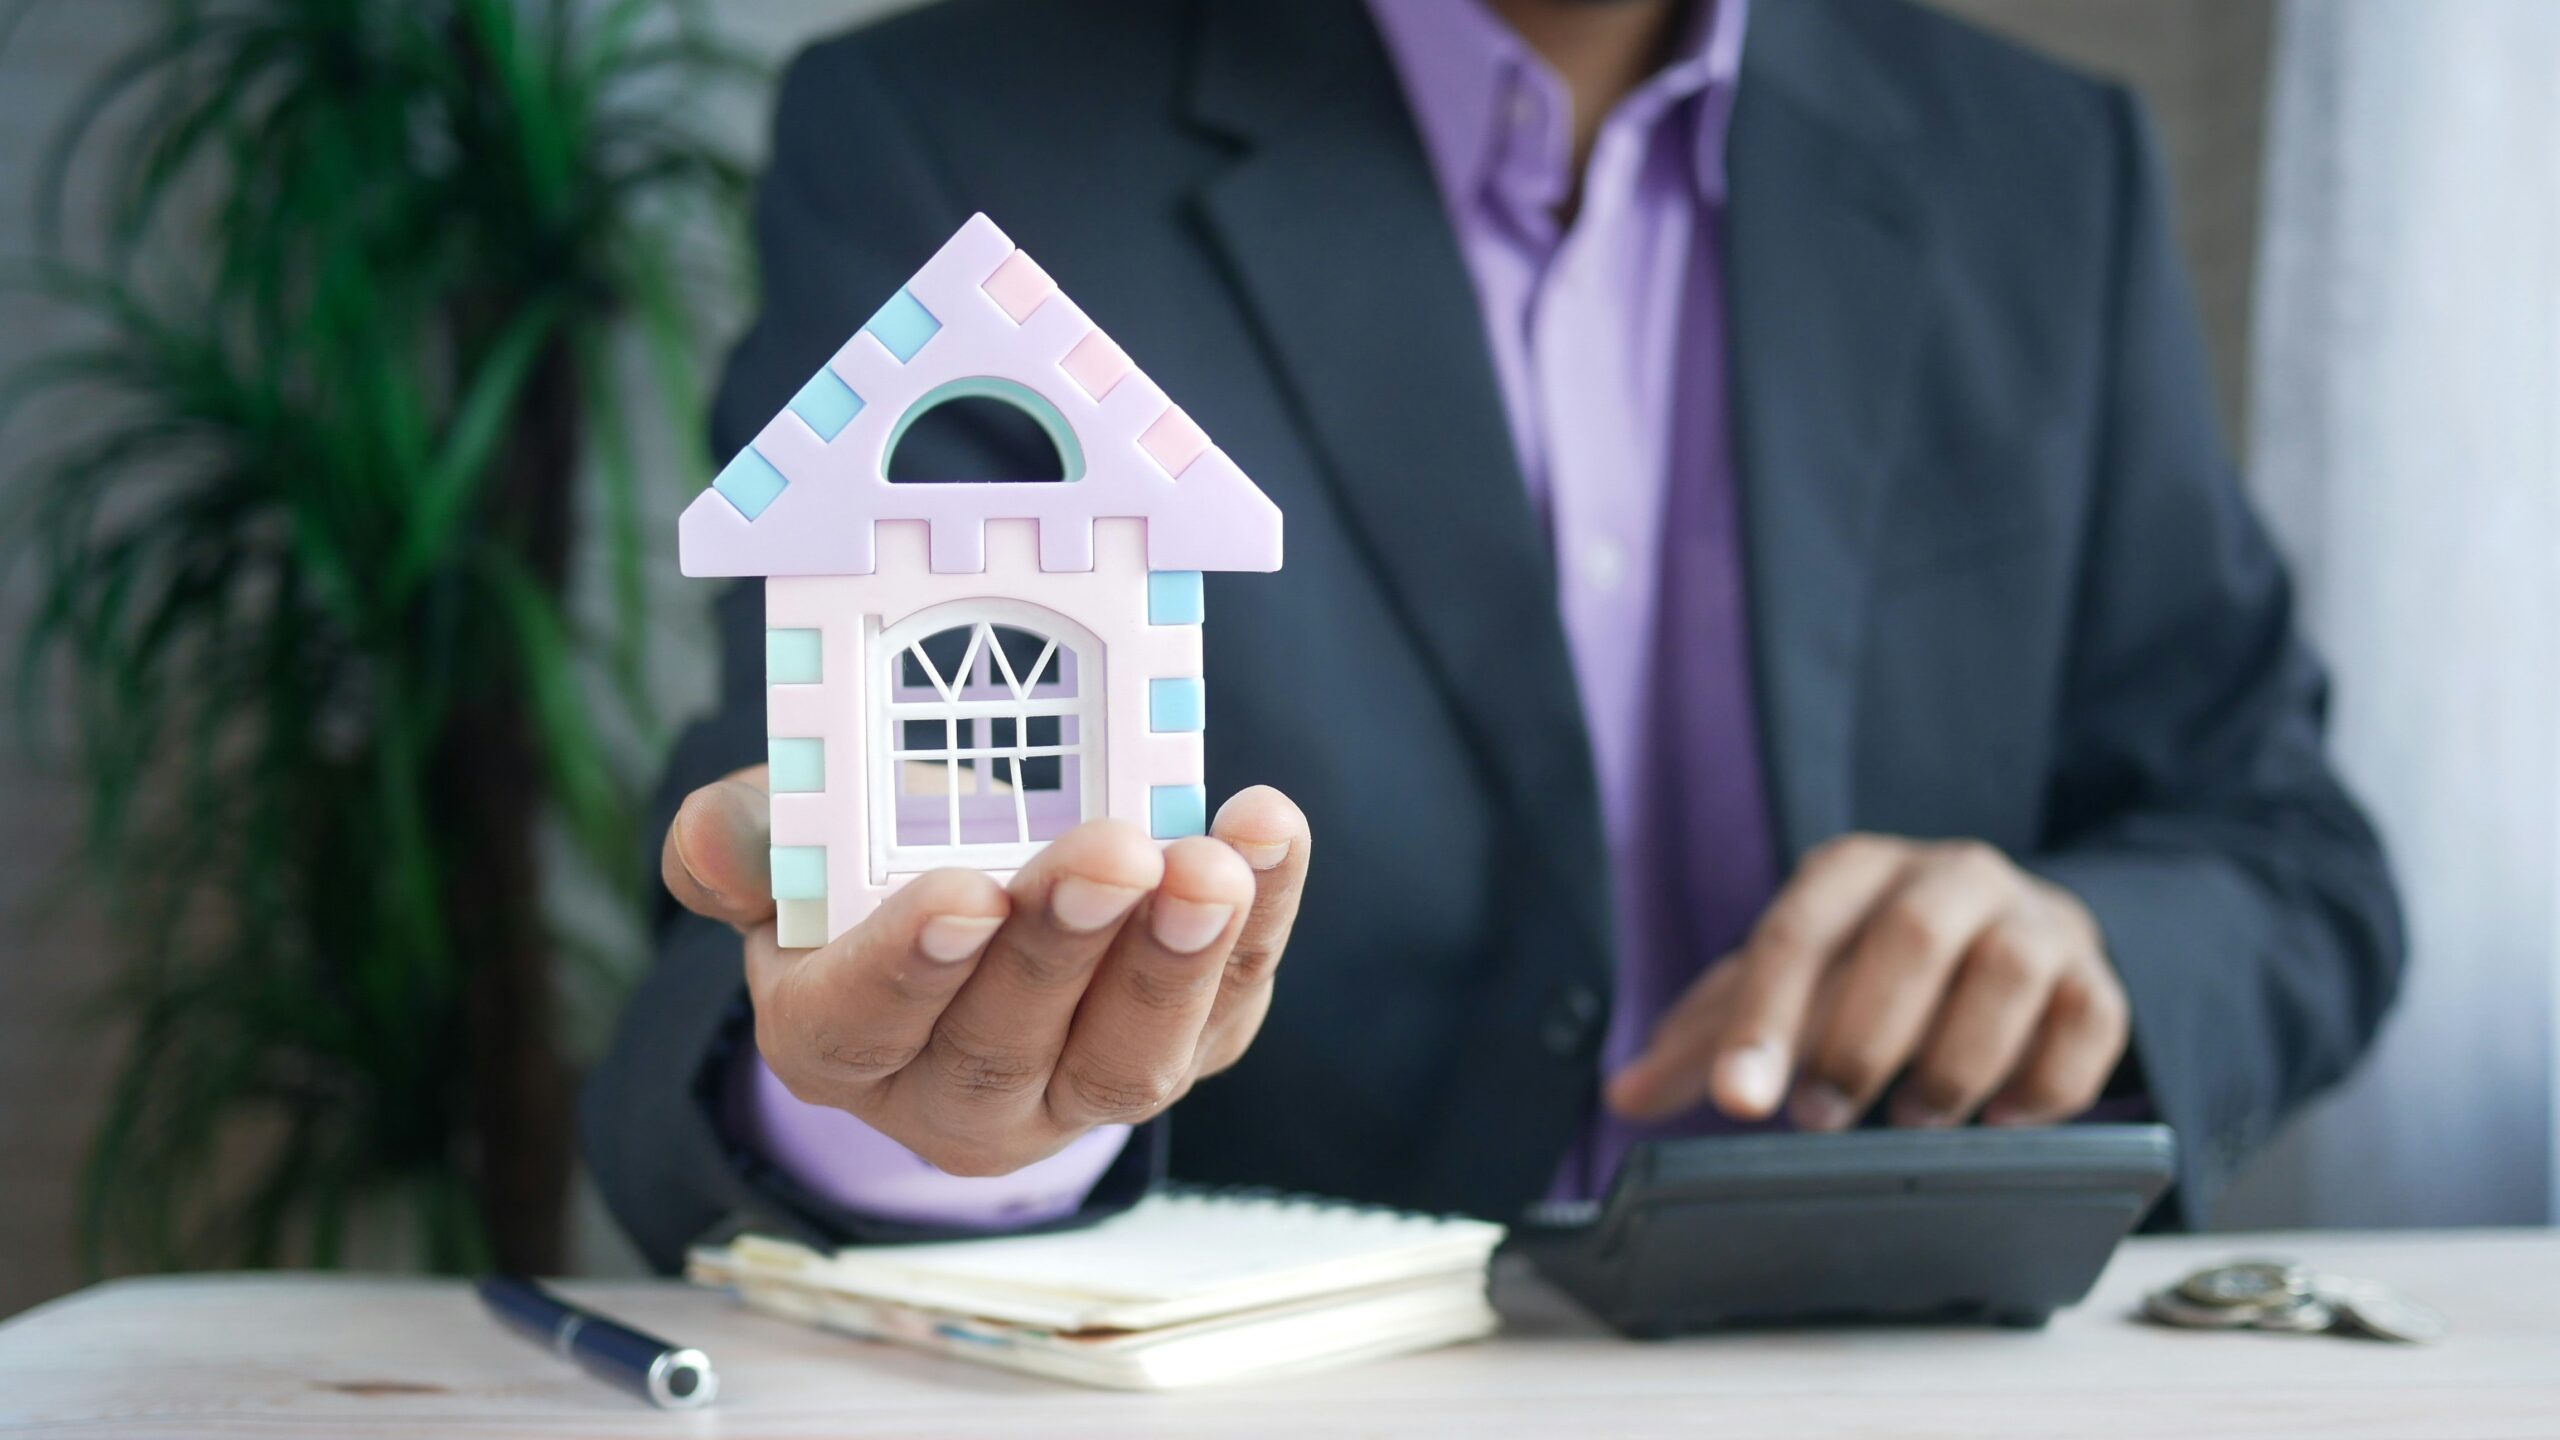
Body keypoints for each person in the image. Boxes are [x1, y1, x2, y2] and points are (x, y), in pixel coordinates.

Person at [583, 0, 2404, 1272]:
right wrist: (932, 1118)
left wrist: (2083, 947)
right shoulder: (954, 140)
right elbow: (786, 893)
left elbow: (2287, 857)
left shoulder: (2044, 167)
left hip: (1902, 1357)